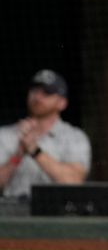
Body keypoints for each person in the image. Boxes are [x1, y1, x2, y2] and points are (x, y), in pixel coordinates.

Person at [0, 70, 91, 199]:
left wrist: (34, 150)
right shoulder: (6, 134)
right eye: (34, 90)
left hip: (55, 214)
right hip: (13, 211)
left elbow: (73, 181)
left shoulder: (75, 137)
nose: (38, 97)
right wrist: (18, 154)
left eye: (47, 92)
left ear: (62, 103)